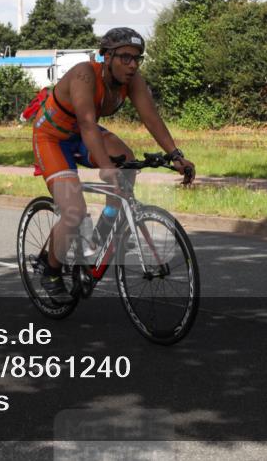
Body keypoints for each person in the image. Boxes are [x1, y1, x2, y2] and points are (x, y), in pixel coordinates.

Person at [31, 27, 196, 303]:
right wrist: (106, 167)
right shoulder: (84, 75)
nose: (132, 65)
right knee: (74, 210)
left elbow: (151, 118)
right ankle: (50, 270)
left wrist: (176, 155)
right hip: (53, 137)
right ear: (105, 57)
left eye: (137, 58)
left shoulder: (133, 80)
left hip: (85, 134)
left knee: (128, 160)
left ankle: (102, 233)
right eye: (125, 58)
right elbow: (86, 123)